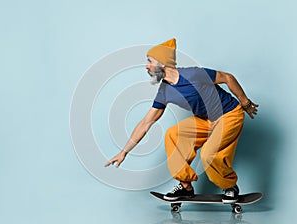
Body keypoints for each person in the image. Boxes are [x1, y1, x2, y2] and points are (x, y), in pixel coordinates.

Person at [105, 38, 258, 203]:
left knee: (208, 155)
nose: (147, 66)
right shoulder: (164, 91)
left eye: (149, 61)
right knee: (172, 135)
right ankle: (186, 187)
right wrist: (124, 152)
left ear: (163, 63)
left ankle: (230, 186)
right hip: (206, 121)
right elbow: (145, 123)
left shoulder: (193, 74)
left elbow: (227, 77)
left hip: (229, 114)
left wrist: (245, 102)